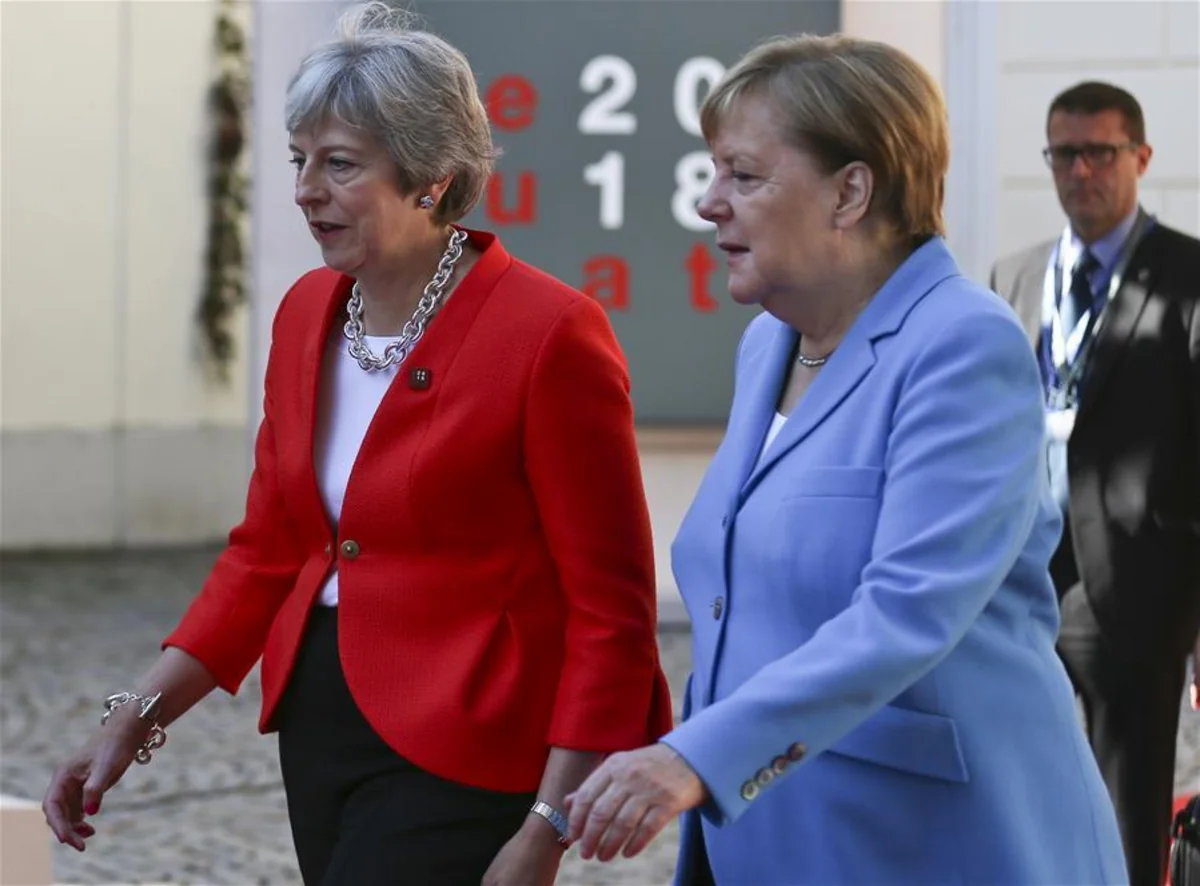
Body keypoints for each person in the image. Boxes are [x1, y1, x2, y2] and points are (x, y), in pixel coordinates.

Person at [41, 4, 672, 884]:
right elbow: (267, 551)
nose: (305, 189)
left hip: (469, 743)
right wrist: (132, 717)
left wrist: (547, 826)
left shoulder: (551, 332)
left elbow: (612, 608)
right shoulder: (306, 314)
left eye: (340, 165)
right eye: (300, 159)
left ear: (432, 179)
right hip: (318, 726)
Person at [564, 34, 1129, 885]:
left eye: (744, 176)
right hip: (770, 838)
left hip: (934, 845)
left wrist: (698, 757)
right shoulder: (768, 346)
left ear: (850, 192)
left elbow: (908, 611)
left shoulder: (963, 344)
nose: (709, 203)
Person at [989, 80, 1200, 886]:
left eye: (1100, 153)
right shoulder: (1015, 275)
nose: (1081, 172)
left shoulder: (1188, 275)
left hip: (1138, 587)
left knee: (1128, 795)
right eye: (1064, 154)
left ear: (1140, 158)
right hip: (1021, 577)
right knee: (1020, 782)